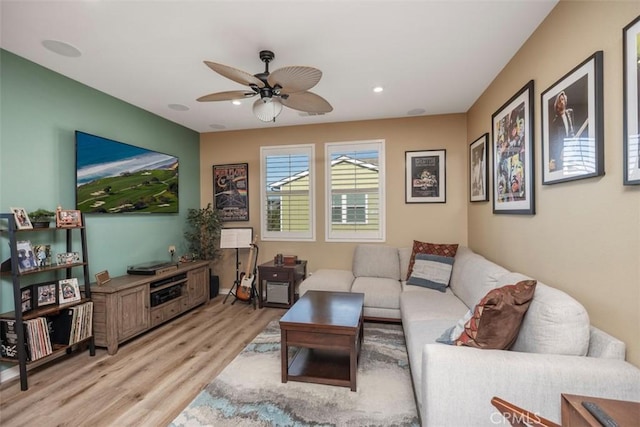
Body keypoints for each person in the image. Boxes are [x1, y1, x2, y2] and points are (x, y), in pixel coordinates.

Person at [549, 90, 574, 172]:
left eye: (563, 99)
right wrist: (555, 157)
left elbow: (572, 130)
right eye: (559, 101)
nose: (561, 102)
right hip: (561, 154)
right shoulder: (555, 122)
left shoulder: (570, 113)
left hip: (571, 149)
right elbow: (553, 141)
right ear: (557, 104)